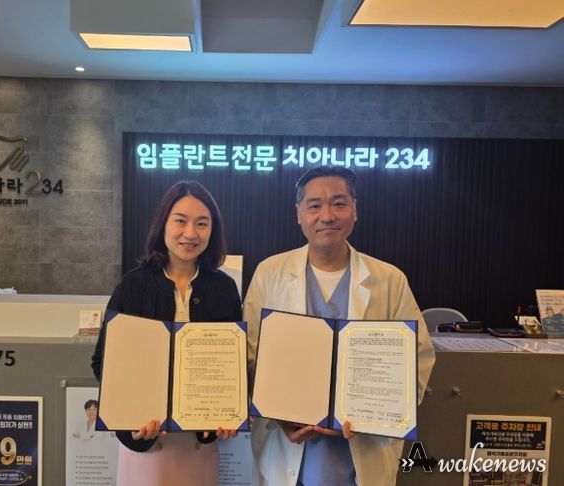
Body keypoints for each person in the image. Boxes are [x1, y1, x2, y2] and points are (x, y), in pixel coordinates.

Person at [243, 166, 436, 486]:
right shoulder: (270, 273)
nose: (327, 215)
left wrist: (373, 416)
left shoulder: (389, 280)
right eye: (314, 205)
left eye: (339, 203)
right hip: (288, 447)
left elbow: (418, 359)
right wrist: (279, 419)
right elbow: (249, 356)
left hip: (361, 449)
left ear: (354, 210)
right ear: (298, 213)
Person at [91, 180, 242, 486]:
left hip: (198, 445)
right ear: (163, 225)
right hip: (145, 441)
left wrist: (229, 411)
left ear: (213, 231)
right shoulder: (133, 285)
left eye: (202, 223)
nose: (191, 233)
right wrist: (131, 413)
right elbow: (102, 362)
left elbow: (232, 367)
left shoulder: (224, 289)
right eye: (180, 221)